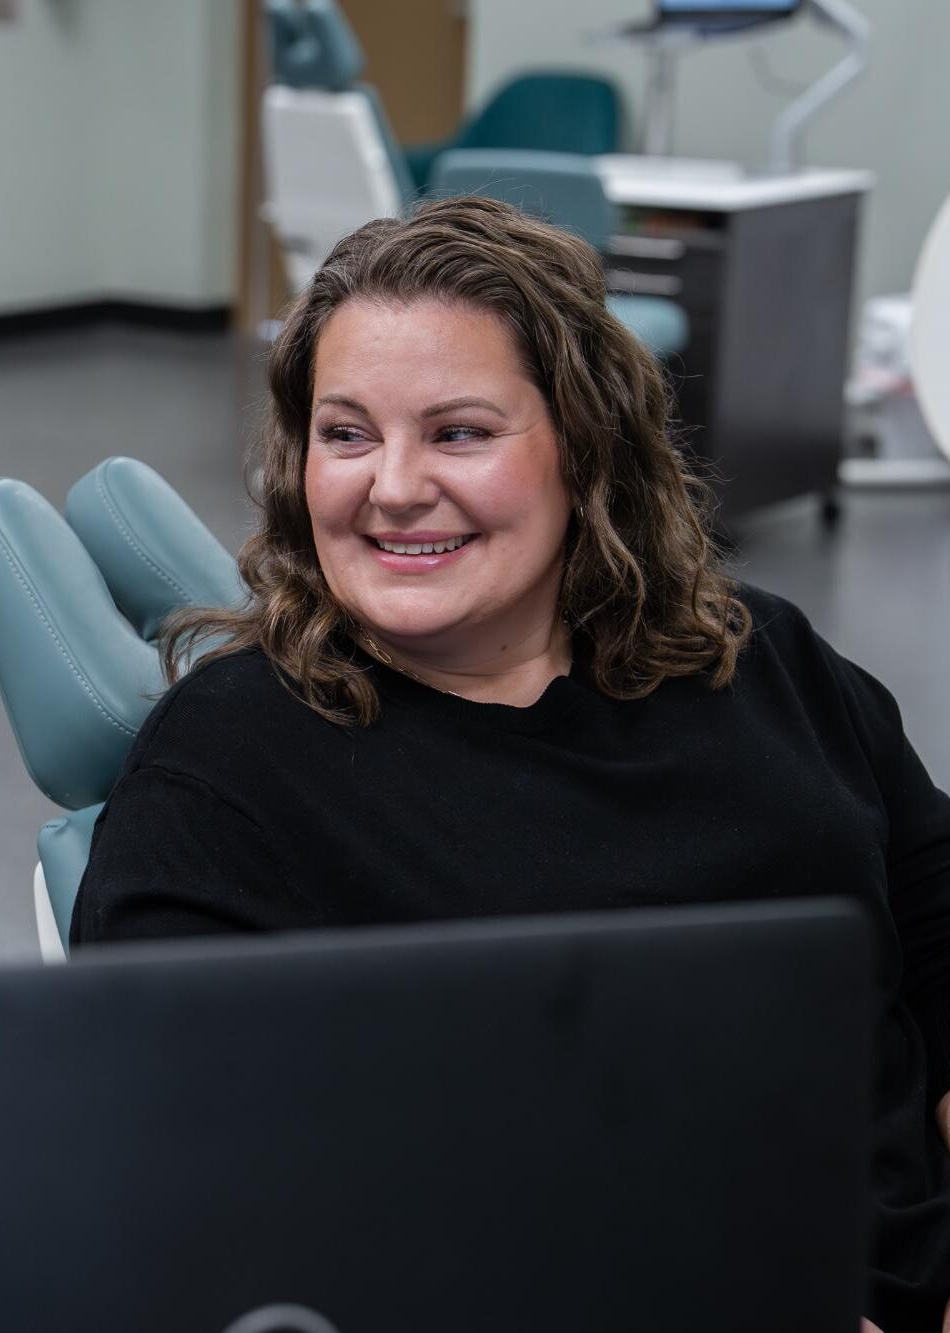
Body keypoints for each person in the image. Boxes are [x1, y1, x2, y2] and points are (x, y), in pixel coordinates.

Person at [72, 196, 950, 1331]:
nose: (389, 485)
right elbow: (199, 1183)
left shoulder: (758, 654)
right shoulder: (231, 766)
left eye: (458, 432)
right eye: (345, 433)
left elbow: (936, 937)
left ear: (583, 449)